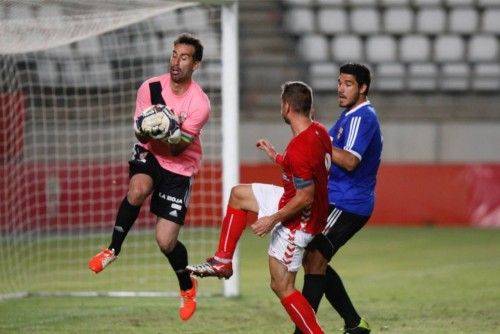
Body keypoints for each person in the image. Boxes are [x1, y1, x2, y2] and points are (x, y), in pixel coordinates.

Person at [187, 81, 332, 334]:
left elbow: (305, 196)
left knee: (282, 286)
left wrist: (272, 219)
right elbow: (308, 171)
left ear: (286, 107)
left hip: (299, 220)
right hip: (296, 201)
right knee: (238, 194)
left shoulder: (300, 148)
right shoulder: (319, 131)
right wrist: (277, 157)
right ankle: (223, 260)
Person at [88, 33, 211, 321]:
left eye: (184, 57)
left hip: (179, 167)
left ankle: (186, 284)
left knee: (165, 242)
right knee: (137, 188)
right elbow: (139, 132)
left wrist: (166, 128)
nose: (176, 62)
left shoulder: (199, 104)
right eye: (173, 54)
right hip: (150, 154)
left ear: (196, 65)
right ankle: (112, 249)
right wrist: (147, 128)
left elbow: (180, 148)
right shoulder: (151, 87)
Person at [295, 63, 382, 334]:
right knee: (312, 258)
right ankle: (355, 323)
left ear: (363, 88)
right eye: (339, 83)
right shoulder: (347, 117)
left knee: (314, 256)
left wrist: (318, 143)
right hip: (335, 199)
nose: (340, 89)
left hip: (349, 203)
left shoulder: (362, 118)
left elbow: (349, 160)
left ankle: (306, 330)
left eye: (348, 84)